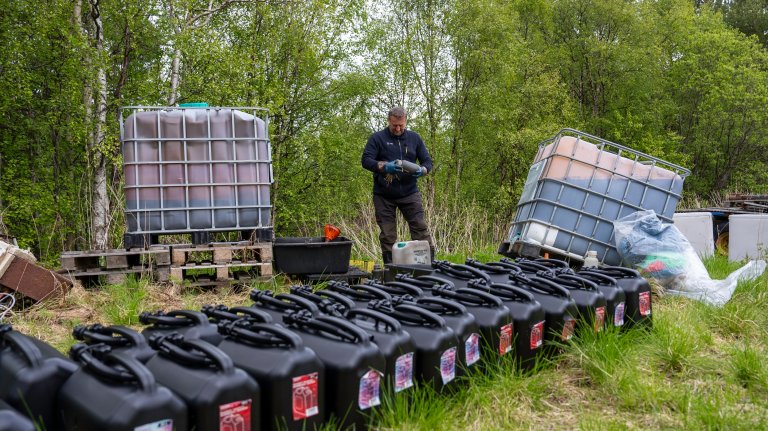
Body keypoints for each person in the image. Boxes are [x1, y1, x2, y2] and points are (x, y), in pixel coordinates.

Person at [361, 106, 435, 264]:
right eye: (395, 125)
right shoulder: (377, 138)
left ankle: (429, 265)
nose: (398, 128)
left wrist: (423, 170)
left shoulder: (414, 138)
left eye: (401, 125)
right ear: (389, 121)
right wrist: (383, 166)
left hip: (410, 193)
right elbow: (366, 160)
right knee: (388, 235)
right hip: (384, 195)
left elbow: (428, 161)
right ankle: (390, 270)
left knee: (420, 228)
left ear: (405, 121)